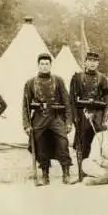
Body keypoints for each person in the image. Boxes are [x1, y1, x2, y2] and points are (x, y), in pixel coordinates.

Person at [22, 53, 75, 186]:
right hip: (39, 117)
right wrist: (27, 124)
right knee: (40, 145)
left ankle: (66, 174)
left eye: (47, 64)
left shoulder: (58, 80)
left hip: (56, 117)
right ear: (38, 65)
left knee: (63, 143)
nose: (44, 66)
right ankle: (45, 175)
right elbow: (25, 106)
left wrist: (68, 122)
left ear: (51, 65)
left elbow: (67, 102)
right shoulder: (30, 83)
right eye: (42, 64)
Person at [70, 51, 108, 180]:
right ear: (85, 62)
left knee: (99, 143)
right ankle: (82, 173)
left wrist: (106, 117)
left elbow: (107, 99)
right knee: (83, 143)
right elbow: (71, 99)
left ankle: (100, 172)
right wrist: (74, 117)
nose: (92, 63)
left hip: (98, 114)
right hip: (83, 114)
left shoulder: (102, 79)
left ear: (98, 63)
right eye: (90, 61)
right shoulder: (77, 78)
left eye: (95, 61)